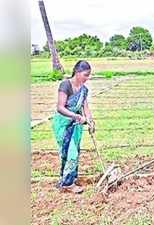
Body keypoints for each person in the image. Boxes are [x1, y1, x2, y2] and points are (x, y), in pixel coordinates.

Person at [52, 60, 95, 194]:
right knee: (70, 152)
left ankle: (67, 178)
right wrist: (76, 117)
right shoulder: (65, 85)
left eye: (88, 75)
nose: (87, 78)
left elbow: (85, 107)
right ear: (77, 72)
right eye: (85, 75)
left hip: (76, 125)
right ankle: (68, 184)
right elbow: (60, 107)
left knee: (73, 150)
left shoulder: (83, 89)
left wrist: (90, 120)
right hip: (63, 124)